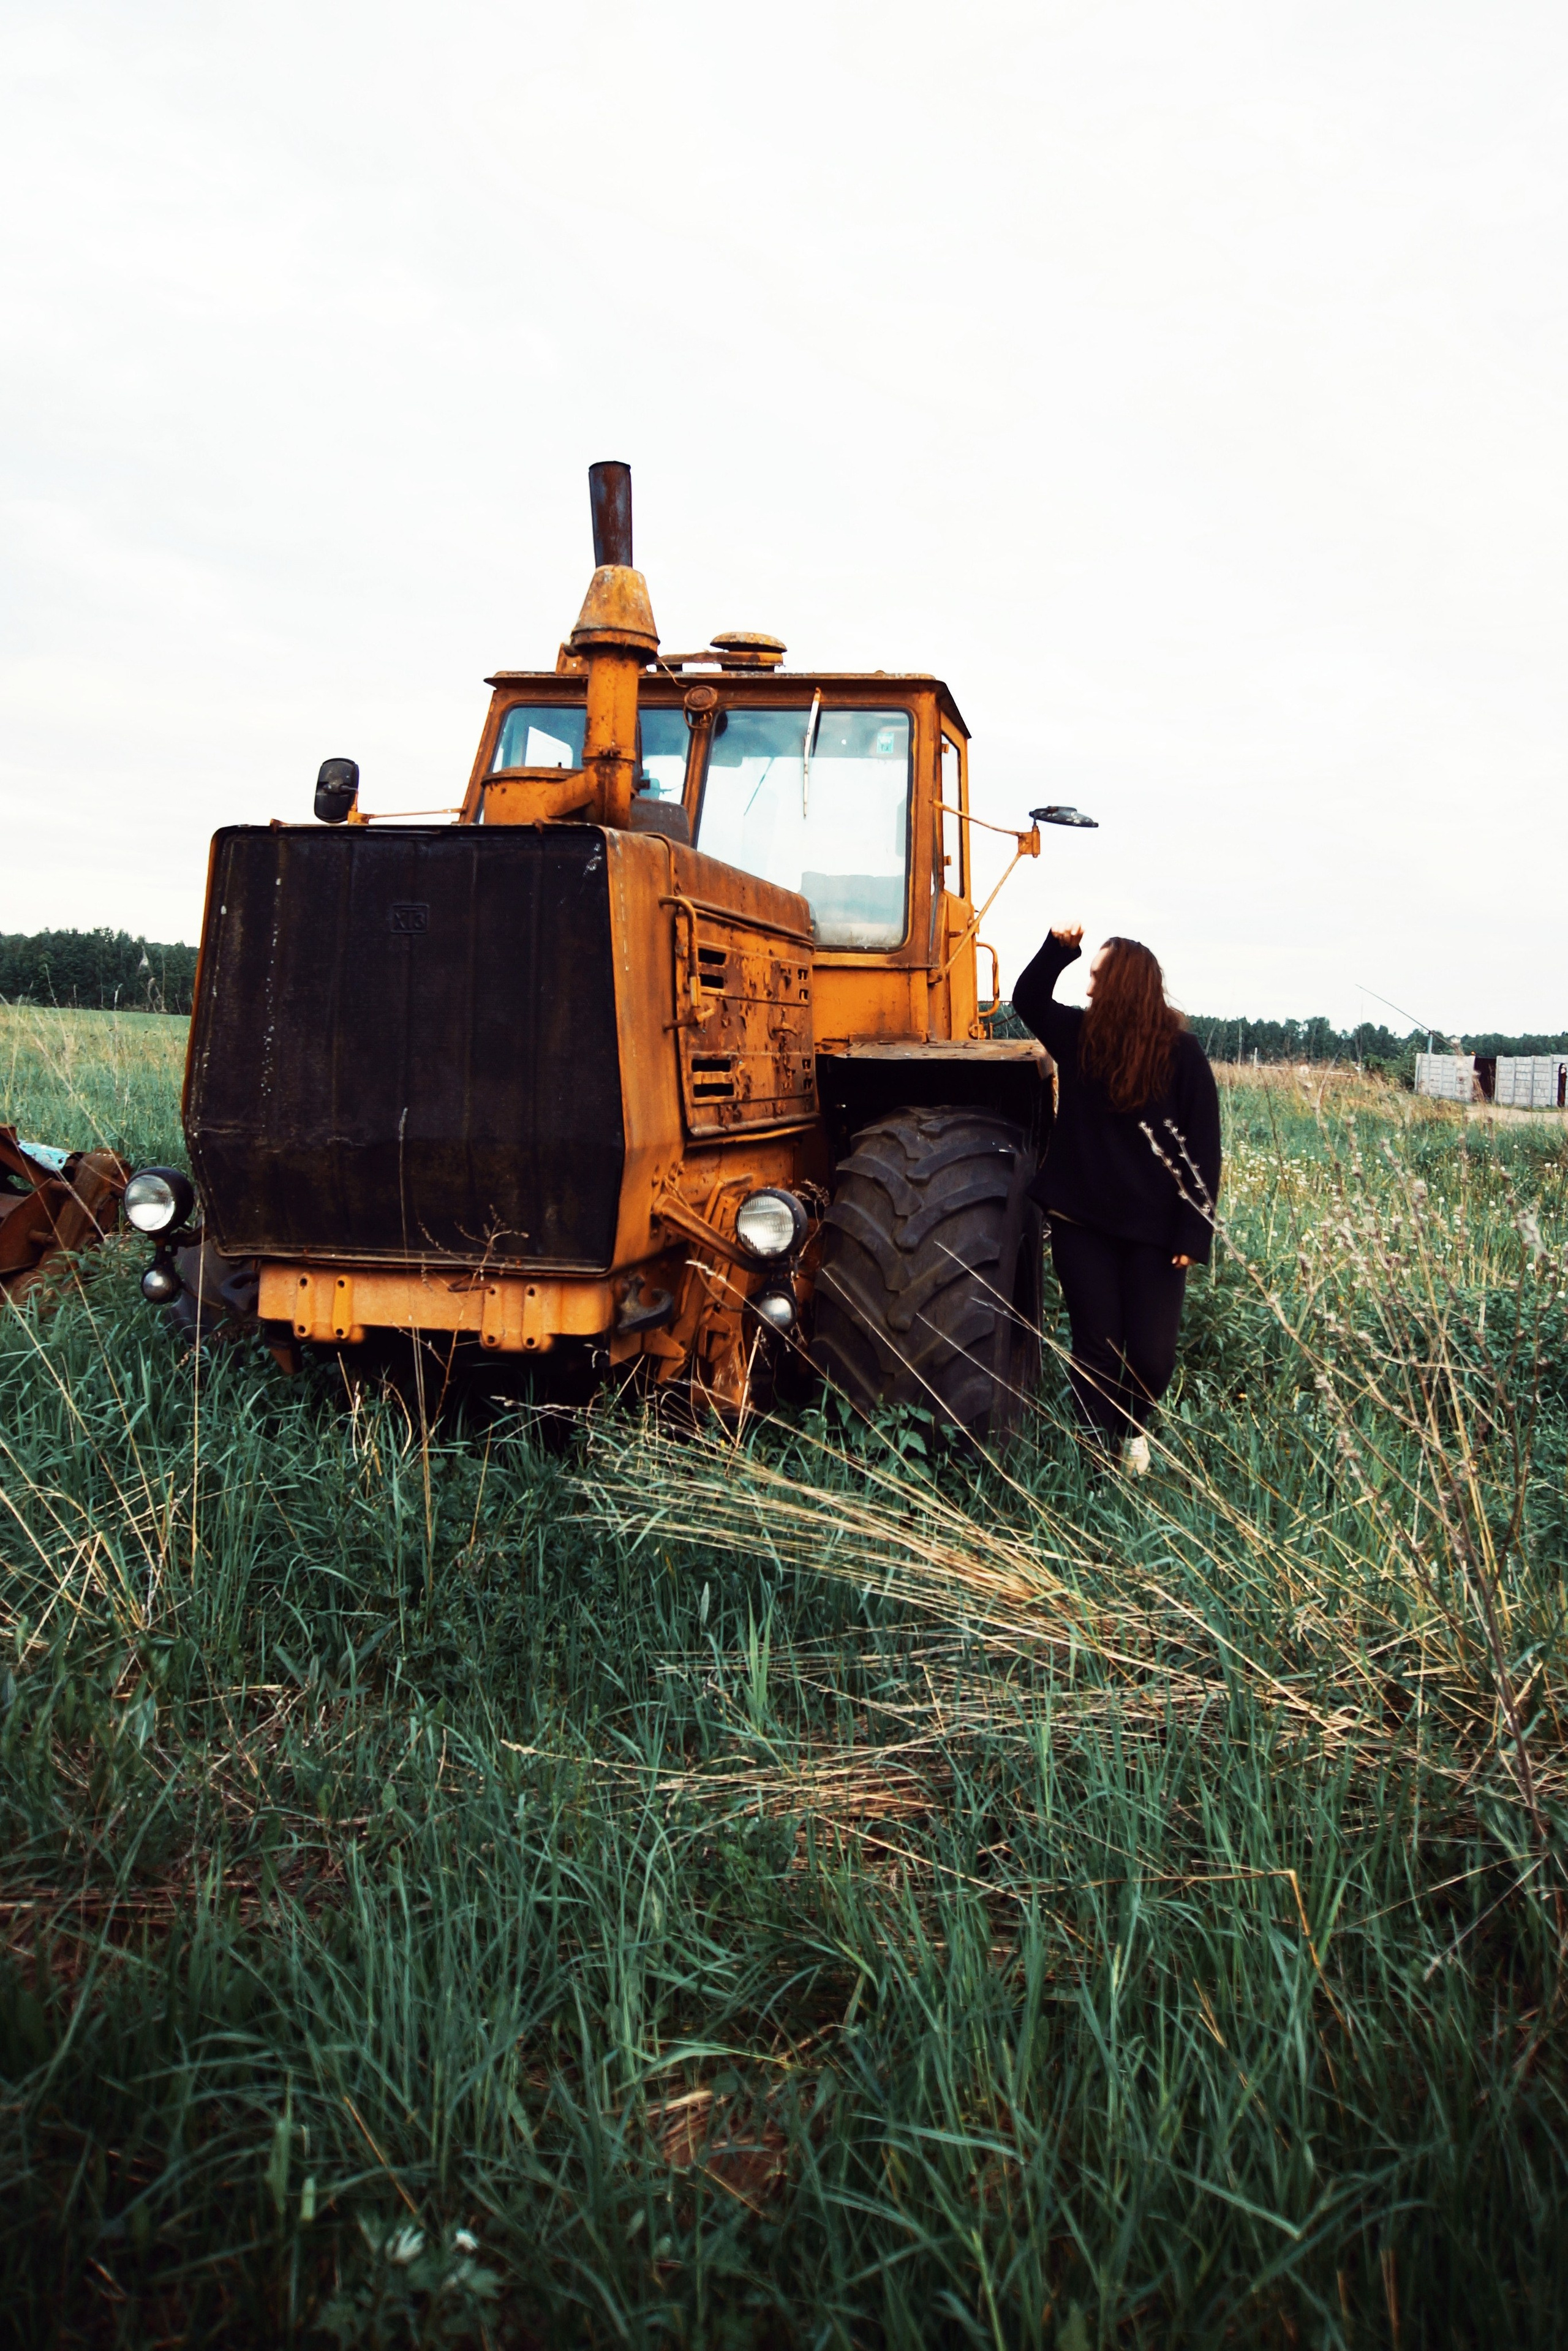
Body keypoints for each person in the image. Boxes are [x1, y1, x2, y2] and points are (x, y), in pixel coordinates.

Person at [1011, 924, 1221, 1471]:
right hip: (1084, 1223)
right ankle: (1092, 1467)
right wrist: (1060, 949)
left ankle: (1129, 1428)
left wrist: (1195, 1231)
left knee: (1152, 1360)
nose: (1088, 988)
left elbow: (1203, 1147)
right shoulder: (1080, 1038)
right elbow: (1027, 998)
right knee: (1097, 1352)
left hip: (1157, 1232)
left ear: (1125, 985)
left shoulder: (1184, 1056)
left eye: (1098, 976)